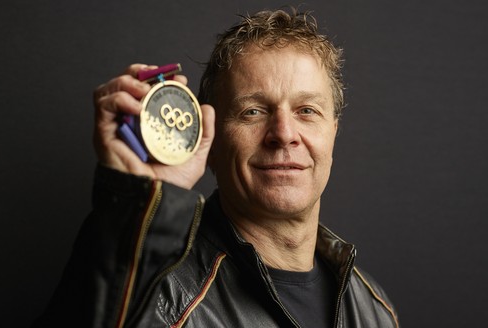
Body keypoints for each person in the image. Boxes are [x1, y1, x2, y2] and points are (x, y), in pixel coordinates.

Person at [33, 8, 399, 328]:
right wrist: (133, 212)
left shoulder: (374, 308)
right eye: (253, 111)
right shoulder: (158, 296)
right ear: (209, 138)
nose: (284, 135)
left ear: (332, 131)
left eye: (307, 111)